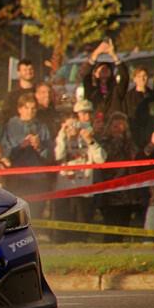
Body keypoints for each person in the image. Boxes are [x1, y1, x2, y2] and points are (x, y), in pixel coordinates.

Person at [52, 99, 107, 241]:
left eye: (89, 113)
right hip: (65, 188)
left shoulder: (93, 133)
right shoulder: (63, 132)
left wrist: (90, 141)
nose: (86, 117)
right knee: (63, 229)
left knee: (81, 230)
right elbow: (58, 155)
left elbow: (101, 159)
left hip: (85, 189)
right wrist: (64, 135)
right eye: (82, 114)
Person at [0, 92, 53, 217]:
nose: (30, 111)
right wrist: (21, 146)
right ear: (20, 109)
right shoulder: (11, 126)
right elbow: (5, 152)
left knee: (36, 211)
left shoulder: (42, 127)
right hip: (17, 176)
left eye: (33, 108)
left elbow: (50, 155)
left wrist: (39, 147)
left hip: (37, 176)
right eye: (26, 108)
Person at [98, 112, 143, 240]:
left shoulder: (130, 143)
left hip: (127, 191)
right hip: (110, 189)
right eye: (115, 126)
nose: (118, 129)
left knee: (124, 222)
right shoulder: (104, 142)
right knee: (111, 224)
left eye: (121, 126)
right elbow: (104, 158)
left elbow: (136, 158)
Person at [79, 39, 128, 119]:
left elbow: (124, 76)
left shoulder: (116, 90)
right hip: (96, 124)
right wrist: (97, 53)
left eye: (107, 69)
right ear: (95, 73)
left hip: (113, 124)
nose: (104, 70)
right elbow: (85, 76)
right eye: (101, 69)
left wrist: (113, 55)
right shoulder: (91, 90)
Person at [1, 58, 37, 125]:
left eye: (30, 69)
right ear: (18, 72)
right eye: (25, 70)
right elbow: (4, 117)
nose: (28, 72)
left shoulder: (39, 92)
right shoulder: (12, 95)